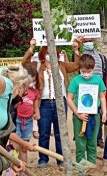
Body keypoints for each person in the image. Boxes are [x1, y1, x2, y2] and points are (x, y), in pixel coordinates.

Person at [22, 39, 80, 168]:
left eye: (53, 51)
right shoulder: (38, 65)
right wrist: (31, 47)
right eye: (47, 51)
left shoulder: (62, 65)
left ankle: (61, 158)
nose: (50, 54)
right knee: (44, 132)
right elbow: (24, 63)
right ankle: (43, 159)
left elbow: (77, 65)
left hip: (60, 102)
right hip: (44, 103)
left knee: (61, 132)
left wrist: (76, 50)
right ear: (43, 53)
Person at [67, 54, 107, 176]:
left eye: (88, 72)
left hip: (94, 116)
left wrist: (104, 112)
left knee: (92, 143)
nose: (86, 74)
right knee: (80, 144)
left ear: (93, 69)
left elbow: (102, 97)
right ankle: (81, 171)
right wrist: (78, 113)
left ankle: (91, 170)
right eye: (83, 71)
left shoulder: (98, 80)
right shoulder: (76, 81)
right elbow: (69, 98)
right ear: (79, 69)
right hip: (80, 117)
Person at [72, 36, 107, 148]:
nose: (88, 43)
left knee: (96, 114)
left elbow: (105, 72)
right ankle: (81, 135)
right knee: (83, 114)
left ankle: (97, 138)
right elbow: (74, 64)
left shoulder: (101, 57)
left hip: (97, 90)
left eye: (90, 41)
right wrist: (75, 50)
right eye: (86, 41)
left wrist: (103, 89)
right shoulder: (81, 56)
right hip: (83, 92)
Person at [13, 66, 40, 176]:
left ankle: (22, 175)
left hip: (28, 122)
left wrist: (36, 113)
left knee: (24, 148)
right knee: (14, 148)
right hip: (17, 120)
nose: (32, 83)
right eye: (30, 80)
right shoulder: (17, 91)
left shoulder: (35, 93)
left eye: (33, 80)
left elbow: (36, 107)